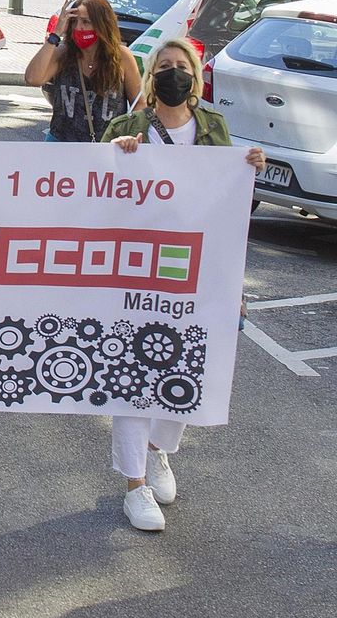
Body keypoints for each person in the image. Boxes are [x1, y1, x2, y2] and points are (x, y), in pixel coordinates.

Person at [101, 38, 265, 531]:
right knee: (132, 374)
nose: (173, 73)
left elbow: (229, 206)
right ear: (151, 77)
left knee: (185, 364)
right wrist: (114, 156)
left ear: (194, 75)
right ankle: (134, 485)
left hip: (195, 270)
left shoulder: (213, 127)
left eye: (182, 65)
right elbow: (92, 193)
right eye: (164, 66)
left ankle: (157, 449)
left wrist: (250, 169)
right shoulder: (126, 127)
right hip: (133, 269)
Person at [24, 0, 141, 143]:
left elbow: (139, 102)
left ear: (102, 25)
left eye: (86, 22)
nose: (79, 27)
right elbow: (32, 78)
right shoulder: (63, 53)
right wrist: (55, 35)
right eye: (74, 21)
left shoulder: (122, 56)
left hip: (107, 146)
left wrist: (129, 134)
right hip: (61, 144)